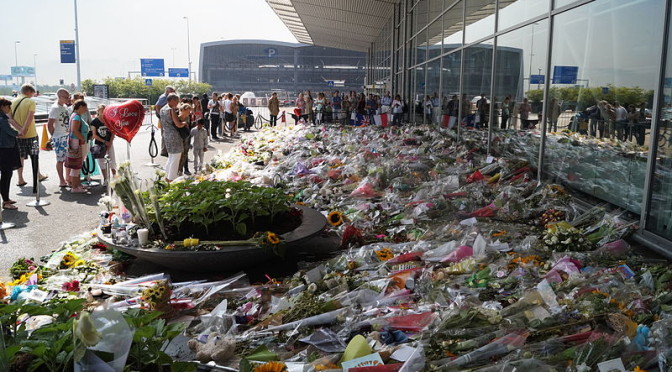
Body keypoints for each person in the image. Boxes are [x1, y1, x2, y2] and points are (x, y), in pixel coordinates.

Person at [11, 84, 46, 193]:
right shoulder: (30, 102)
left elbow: (10, 118)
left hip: (17, 134)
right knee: (34, 156)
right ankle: (38, 175)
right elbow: (30, 117)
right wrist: (25, 129)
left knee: (20, 156)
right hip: (30, 133)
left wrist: (19, 129)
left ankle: (20, 178)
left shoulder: (12, 102)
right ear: (29, 92)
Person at [0, 98, 22, 210]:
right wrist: (18, 133)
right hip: (5, 149)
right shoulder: (2, 119)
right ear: (3, 106)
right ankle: (6, 201)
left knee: (5, 175)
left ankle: (6, 198)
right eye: (8, 106)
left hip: (4, 148)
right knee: (6, 175)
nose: (9, 109)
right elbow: (10, 131)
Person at [160, 94, 187, 182]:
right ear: (172, 100)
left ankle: (166, 175)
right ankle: (171, 178)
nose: (177, 103)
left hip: (166, 135)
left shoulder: (162, 109)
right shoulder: (170, 110)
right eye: (176, 101)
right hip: (174, 135)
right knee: (176, 156)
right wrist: (184, 123)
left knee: (171, 156)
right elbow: (177, 124)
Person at [48, 88, 72, 187]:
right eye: (66, 97)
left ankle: (68, 178)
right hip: (59, 137)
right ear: (60, 97)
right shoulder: (55, 108)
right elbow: (50, 124)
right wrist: (54, 137)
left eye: (68, 97)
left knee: (68, 158)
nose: (68, 99)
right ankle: (61, 180)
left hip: (66, 135)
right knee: (60, 159)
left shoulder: (65, 106)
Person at [66, 100, 90, 193]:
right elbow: (74, 130)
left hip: (76, 142)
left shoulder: (75, 116)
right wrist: (82, 139)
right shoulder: (76, 117)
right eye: (84, 108)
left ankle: (77, 185)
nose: (85, 110)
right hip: (77, 142)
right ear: (80, 107)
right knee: (76, 165)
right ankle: (75, 187)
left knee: (77, 165)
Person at [89, 104, 116, 185]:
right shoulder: (95, 122)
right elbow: (94, 135)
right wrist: (104, 142)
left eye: (105, 110)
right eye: (101, 111)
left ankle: (115, 177)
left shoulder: (109, 120)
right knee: (101, 162)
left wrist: (110, 142)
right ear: (98, 111)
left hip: (109, 143)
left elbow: (112, 132)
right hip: (99, 144)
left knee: (112, 160)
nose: (103, 112)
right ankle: (106, 178)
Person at [177, 103, 193, 176]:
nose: (189, 113)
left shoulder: (188, 118)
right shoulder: (177, 118)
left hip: (186, 137)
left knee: (185, 154)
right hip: (179, 138)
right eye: (188, 111)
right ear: (183, 110)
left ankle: (185, 169)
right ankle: (179, 170)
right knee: (179, 155)